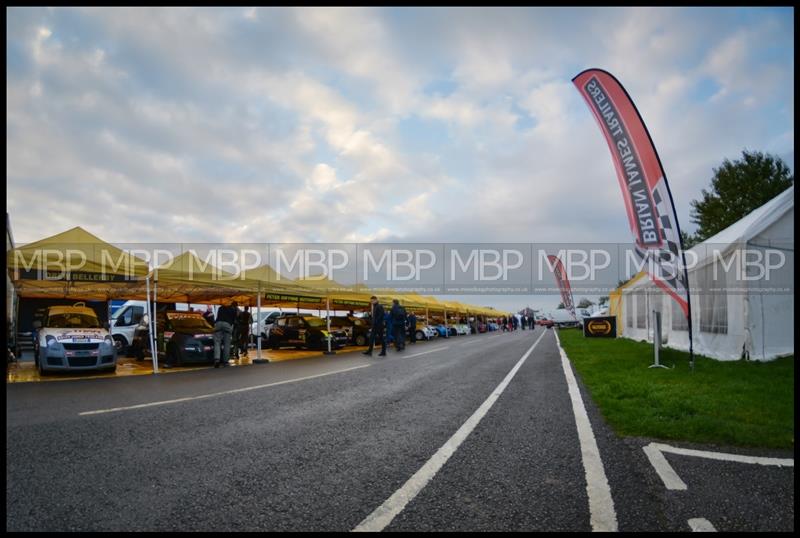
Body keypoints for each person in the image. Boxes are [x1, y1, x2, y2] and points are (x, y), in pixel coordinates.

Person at [213, 300, 237, 367]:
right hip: (227, 325)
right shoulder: (233, 310)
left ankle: (217, 359)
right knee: (227, 344)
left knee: (217, 342)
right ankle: (225, 361)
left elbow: (218, 317)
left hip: (218, 324)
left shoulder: (220, 308)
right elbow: (234, 321)